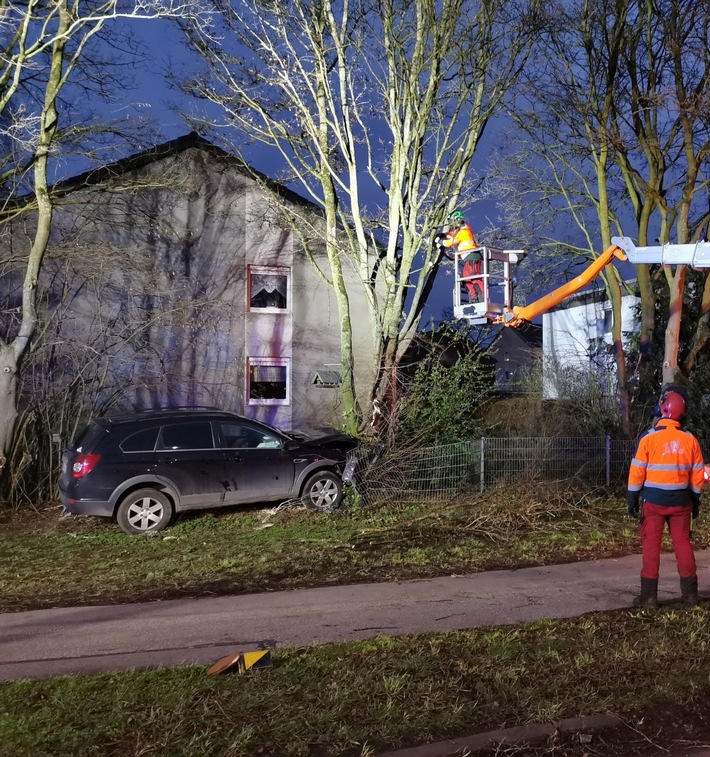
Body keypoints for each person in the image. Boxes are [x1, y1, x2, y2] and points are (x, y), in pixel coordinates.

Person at [626, 387, 705, 608]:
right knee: (683, 545)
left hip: (654, 502)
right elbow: (697, 475)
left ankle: (649, 598)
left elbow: (637, 471)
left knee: (651, 546)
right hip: (681, 502)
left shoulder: (649, 439)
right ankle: (690, 596)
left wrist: (631, 497)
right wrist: (695, 500)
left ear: (662, 409)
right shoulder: (690, 440)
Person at [441, 210, 484, 301]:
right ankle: (473, 298)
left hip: (473, 256)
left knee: (474, 276)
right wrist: (443, 235)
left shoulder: (464, 231)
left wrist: (440, 241)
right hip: (468, 257)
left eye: (453, 221)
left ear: (457, 220)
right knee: (466, 277)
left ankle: (483, 297)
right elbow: (453, 234)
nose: (452, 224)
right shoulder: (461, 230)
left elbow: (451, 242)